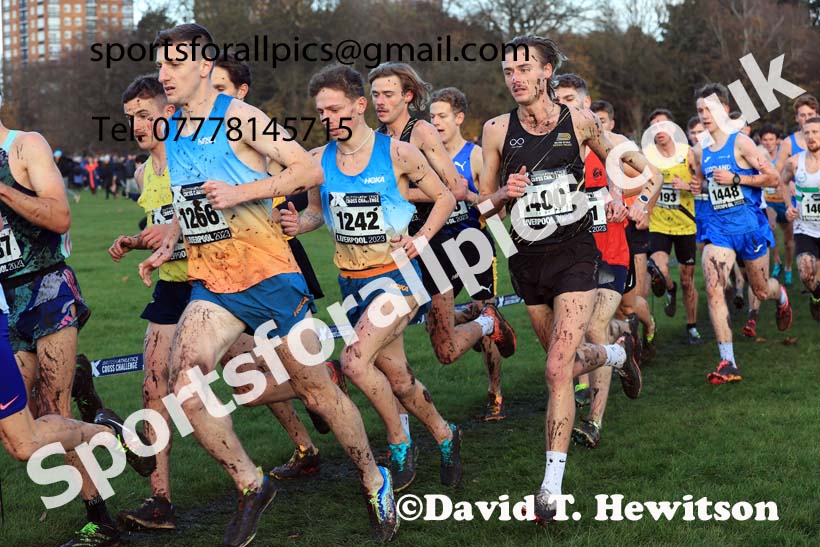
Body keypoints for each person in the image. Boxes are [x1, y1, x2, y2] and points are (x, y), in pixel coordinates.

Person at [142, 24, 398, 544]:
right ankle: (251, 483)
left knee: (317, 391)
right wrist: (171, 236)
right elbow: (194, 201)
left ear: (203, 65)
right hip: (213, 282)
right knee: (185, 385)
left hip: (272, 277)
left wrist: (244, 192)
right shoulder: (172, 128)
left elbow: (308, 171)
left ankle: (374, 476)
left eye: (173, 63)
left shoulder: (240, 118)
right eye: (161, 63)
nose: (163, 74)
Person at [479, 35, 647, 521]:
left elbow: (624, 162)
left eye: (524, 69)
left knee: (556, 370)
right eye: (508, 71)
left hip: (575, 255)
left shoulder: (580, 121)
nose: (515, 78)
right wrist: (504, 196)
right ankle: (617, 352)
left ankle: (550, 488)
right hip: (528, 261)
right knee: (559, 357)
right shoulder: (495, 130)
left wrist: (634, 196)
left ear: (547, 71)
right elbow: (483, 208)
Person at [284, 64, 464, 497]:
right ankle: (444, 433)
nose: (328, 118)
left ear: (359, 105)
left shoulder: (397, 153)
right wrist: (297, 222)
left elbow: (445, 195)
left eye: (335, 108)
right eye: (321, 111)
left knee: (354, 361)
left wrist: (421, 239)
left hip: (397, 279)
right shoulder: (318, 161)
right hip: (353, 283)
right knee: (397, 378)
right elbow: (315, 212)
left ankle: (399, 443)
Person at [369, 62, 515, 457]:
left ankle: (487, 326)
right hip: (411, 245)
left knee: (446, 350)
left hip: (451, 238)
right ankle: (400, 433)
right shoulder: (378, 138)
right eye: (375, 94)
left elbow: (454, 187)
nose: (379, 102)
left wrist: (401, 194)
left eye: (388, 94)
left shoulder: (420, 131)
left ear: (408, 96)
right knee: (427, 341)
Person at [0, 91, 125, 547]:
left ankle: (101, 520)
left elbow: (60, 215)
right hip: (4, 305)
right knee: (27, 425)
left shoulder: (24, 146)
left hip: (48, 291)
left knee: (56, 410)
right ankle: (99, 414)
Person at [212, 52, 331, 481]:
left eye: (220, 89)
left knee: (298, 369)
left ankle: (377, 451)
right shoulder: (199, 139)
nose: (211, 98)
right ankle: (305, 446)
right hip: (224, 270)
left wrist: (289, 216)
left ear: (241, 94)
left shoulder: (259, 138)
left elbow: (302, 185)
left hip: (274, 265)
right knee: (248, 373)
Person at [690, 83, 792, 384]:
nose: (704, 115)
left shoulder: (741, 143)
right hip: (719, 229)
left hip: (749, 226)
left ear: (723, 109)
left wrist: (736, 177)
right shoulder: (700, 151)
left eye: (709, 109)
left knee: (760, 290)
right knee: (713, 288)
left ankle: (780, 293)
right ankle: (727, 361)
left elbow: (772, 177)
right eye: (699, 111)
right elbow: (703, 184)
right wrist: (700, 187)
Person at [429, 86, 510, 421]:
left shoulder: (474, 155)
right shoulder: (423, 155)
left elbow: (497, 207)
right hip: (437, 247)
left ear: (459, 118)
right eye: (431, 116)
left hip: (471, 244)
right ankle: (477, 326)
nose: (435, 122)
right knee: (431, 324)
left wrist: (469, 197)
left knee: (483, 305)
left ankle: (495, 392)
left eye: (442, 116)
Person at [644, 108, 703, 344]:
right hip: (659, 224)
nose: (659, 130)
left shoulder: (687, 154)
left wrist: (687, 185)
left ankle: (692, 326)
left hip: (685, 224)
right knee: (660, 270)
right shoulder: (647, 157)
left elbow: (701, 186)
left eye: (663, 125)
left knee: (689, 281)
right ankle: (670, 287)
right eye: (654, 126)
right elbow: (641, 188)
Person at [780, 117, 820, 320]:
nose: (811, 137)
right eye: (807, 133)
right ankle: (816, 296)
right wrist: (789, 206)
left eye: (816, 132)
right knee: (805, 274)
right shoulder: (795, 162)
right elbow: (782, 182)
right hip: (805, 228)